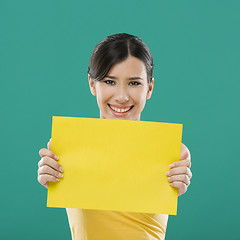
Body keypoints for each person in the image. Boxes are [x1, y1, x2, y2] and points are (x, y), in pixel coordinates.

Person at [37, 33, 192, 240]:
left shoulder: (171, 151)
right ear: (92, 84)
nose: (121, 96)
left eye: (134, 83)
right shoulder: (67, 147)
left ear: (150, 88)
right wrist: (51, 177)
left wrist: (177, 186)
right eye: (110, 81)